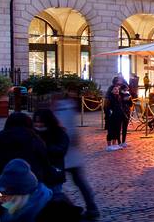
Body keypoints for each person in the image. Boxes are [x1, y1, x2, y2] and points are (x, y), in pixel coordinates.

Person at [54, 87, 100, 220]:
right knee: (79, 181)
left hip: (64, 152)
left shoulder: (62, 109)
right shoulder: (67, 108)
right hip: (69, 153)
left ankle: (82, 209)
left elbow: (68, 131)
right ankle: (91, 207)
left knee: (57, 184)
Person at [0, 158, 83, 221]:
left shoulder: (58, 209)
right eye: (1, 194)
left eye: (5, 194)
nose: (2, 198)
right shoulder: (7, 205)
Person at [0, 113, 49, 190]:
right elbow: (44, 160)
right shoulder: (35, 140)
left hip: (6, 183)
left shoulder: (0, 141)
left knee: (6, 202)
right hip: (31, 182)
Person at [32, 110, 68, 198]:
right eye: (36, 121)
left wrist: (44, 146)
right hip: (37, 175)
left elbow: (61, 150)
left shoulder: (59, 133)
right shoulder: (32, 132)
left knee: (54, 199)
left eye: (40, 121)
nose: (38, 124)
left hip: (54, 173)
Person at [103, 83, 125, 151]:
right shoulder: (109, 98)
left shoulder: (119, 97)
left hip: (118, 117)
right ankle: (109, 146)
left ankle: (114, 144)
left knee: (117, 131)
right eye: (115, 89)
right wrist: (110, 113)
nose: (117, 90)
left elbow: (120, 107)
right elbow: (106, 108)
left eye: (118, 89)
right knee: (110, 132)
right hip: (111, 118)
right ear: (111, 90)